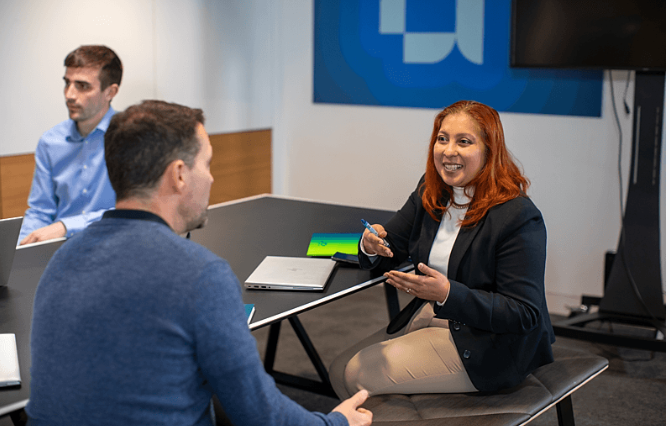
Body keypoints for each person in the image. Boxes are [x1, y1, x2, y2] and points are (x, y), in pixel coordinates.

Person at [26, 100, 372, 426]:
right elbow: (260, 414)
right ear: (179, 174)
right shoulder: (201, 274)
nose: (210, 178)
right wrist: (336, 421)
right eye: (206, 164)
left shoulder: (62, 259)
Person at [329, 100, 555, 399]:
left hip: (493, 342)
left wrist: (447, 294)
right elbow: (390, 246)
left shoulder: (517, 216)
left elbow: (524, 313)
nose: (449, 151)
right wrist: (370, 245)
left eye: (464, 141)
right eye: (442, 139)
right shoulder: (431, 190)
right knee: (337, 369)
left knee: (356, 373)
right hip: (442, 315)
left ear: (489, 149)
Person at [18, 45, 122, 245]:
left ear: (110, 92)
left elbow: (135, 212)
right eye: (67, 83)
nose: (69, 95)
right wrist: (21, 248)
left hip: (114, 247)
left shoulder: (133, 137)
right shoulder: (50, 142)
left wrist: (66, 226)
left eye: (83, 86)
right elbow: (40, 211)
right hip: (60, 252)